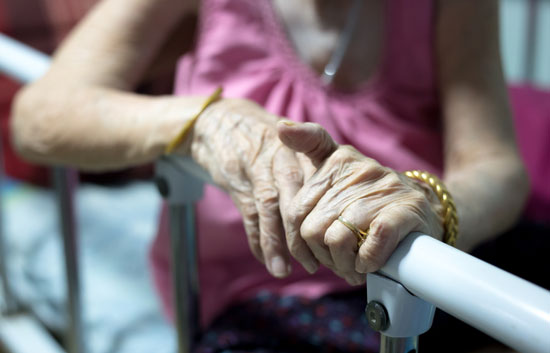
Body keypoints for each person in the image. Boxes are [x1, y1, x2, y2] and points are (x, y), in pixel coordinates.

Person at [11, 0, 533, 351]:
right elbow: (42, 112)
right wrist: (207, 121)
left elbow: (495, 165)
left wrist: (426, 201)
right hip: (265, 290)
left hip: (431, 265)